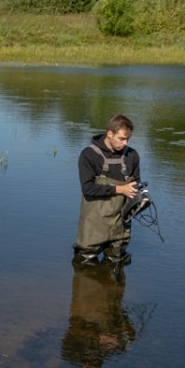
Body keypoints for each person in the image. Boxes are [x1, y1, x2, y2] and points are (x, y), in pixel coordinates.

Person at [73, 113, 142, 265]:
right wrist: (120, 190)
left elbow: (135, 185)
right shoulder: (89, 155)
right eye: (122, 139)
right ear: (110, 134)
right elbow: (88, 189)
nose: (125, 143)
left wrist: (139, 199)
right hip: (93, 226)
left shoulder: (132, 156)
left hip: (120, 228)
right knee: (84, 270)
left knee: (116, 269)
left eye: (128, 139)